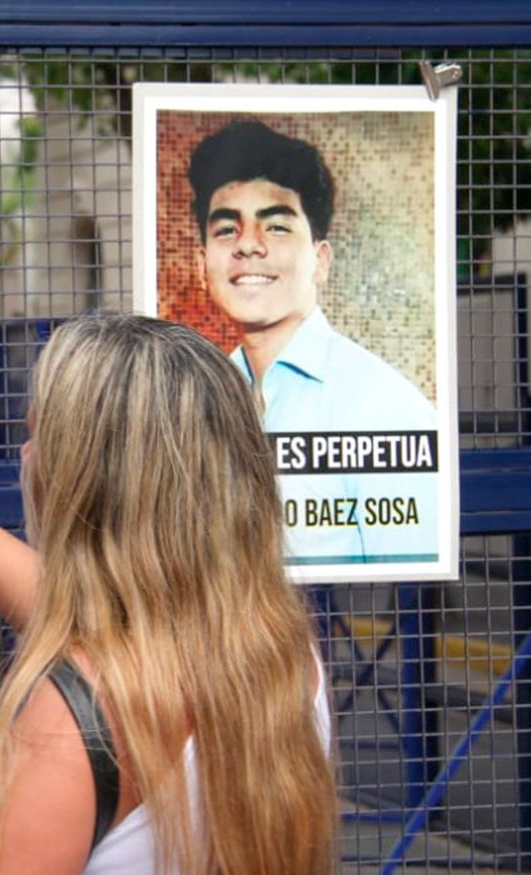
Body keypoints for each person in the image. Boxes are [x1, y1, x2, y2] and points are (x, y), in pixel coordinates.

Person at [0, 316, 337, 875]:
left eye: (41, 435)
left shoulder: (76, 722)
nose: (26, 452)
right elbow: (95, 620)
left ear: (86, 482)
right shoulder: (285, 658)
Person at [187, 119, 438, 564]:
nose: (248, 246)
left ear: (320, 261)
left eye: (277, 227)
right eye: (227, 229)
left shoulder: (386, 406)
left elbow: (411, 585)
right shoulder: (195, 402)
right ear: (202, 261)